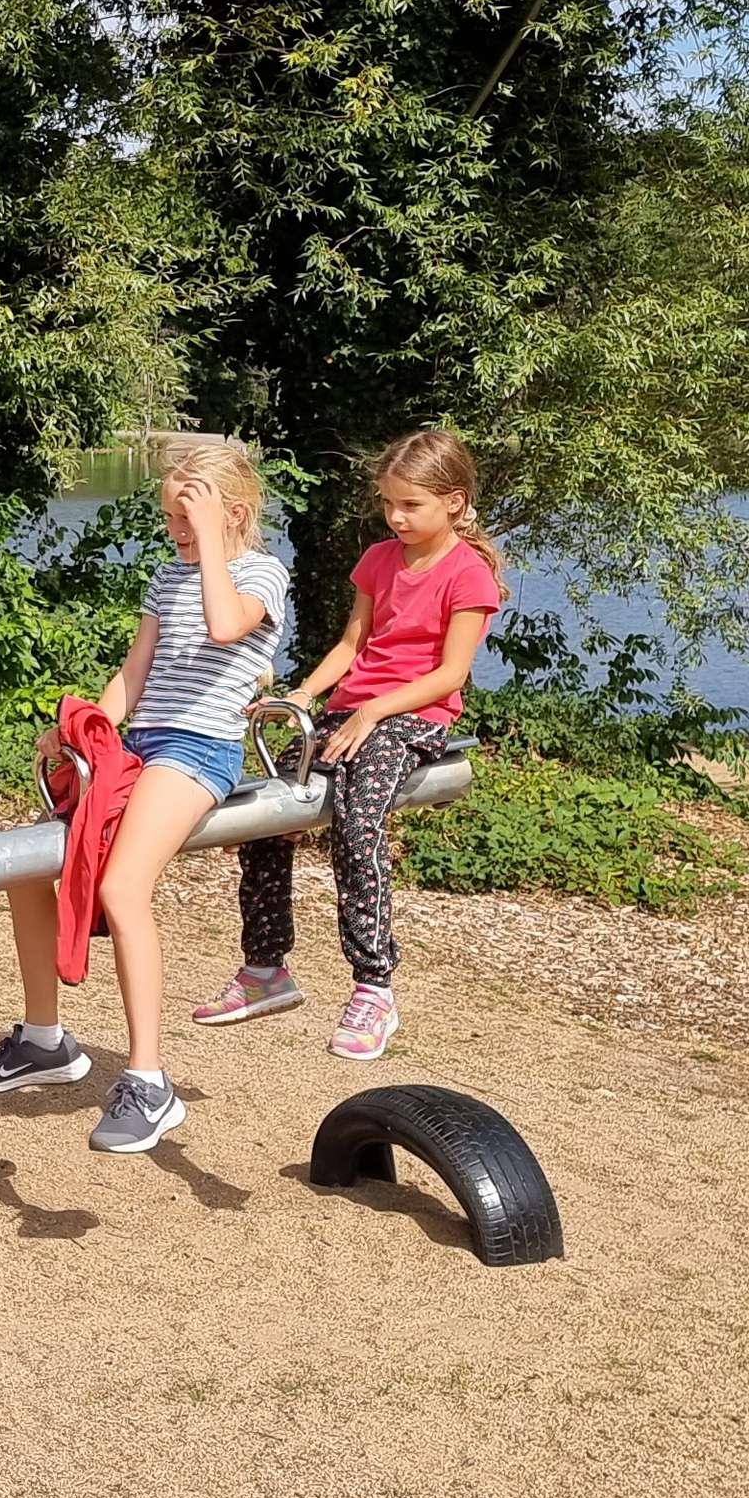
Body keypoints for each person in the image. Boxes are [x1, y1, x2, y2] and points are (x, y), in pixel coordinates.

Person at [0, 436, 292, 1153]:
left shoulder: (263, 574)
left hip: (200, 748)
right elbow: (133, 675)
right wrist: (81, 731)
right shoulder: (169, 576)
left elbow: (226, 625)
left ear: (233, 512)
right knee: (23, 869)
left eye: (188, 518)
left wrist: (210, 545)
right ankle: (45, 1041)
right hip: (140, 744)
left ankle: (149, 1080)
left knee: (123, 887)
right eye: (171, 519)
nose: (175, 532)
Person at [192, 426, 507, 1060]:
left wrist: (372, 714)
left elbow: (449, 674)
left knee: (358, 826)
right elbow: (350, 645)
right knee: (262, 818)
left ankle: (373, 988)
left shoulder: (467, 576)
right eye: (388, 503)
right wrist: (303, 696)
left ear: (455, 501)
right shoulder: (378, 559)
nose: (396, 517)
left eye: (410, 505)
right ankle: (265, 968)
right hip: (350, 710)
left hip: (416, 714)